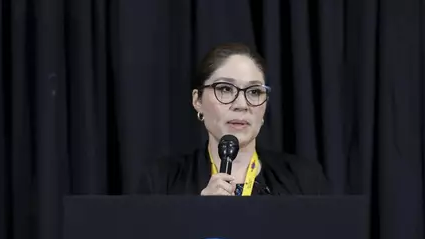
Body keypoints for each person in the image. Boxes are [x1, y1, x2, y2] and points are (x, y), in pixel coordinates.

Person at [136, 42, 330, 196]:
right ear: (197, 100)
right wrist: (196, 215)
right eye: (225, 89)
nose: (241, 104)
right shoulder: (161, 181)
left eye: (254, 92)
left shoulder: (304, 180)